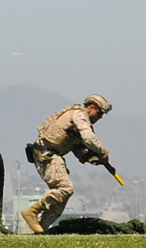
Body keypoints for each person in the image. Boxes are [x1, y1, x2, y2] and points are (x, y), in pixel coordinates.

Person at [21, 95, 113, 234]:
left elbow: (77, 148)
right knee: (66, 188)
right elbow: (88, 139)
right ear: (91, 107)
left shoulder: (77, 121)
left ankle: (40, 229)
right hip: (47, 154)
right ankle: (32, 212)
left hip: (51, 156)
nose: (100, 117)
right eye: (99, 113)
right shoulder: (80, 115)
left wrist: (91, 158)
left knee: (61, 198)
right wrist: (101, 151)